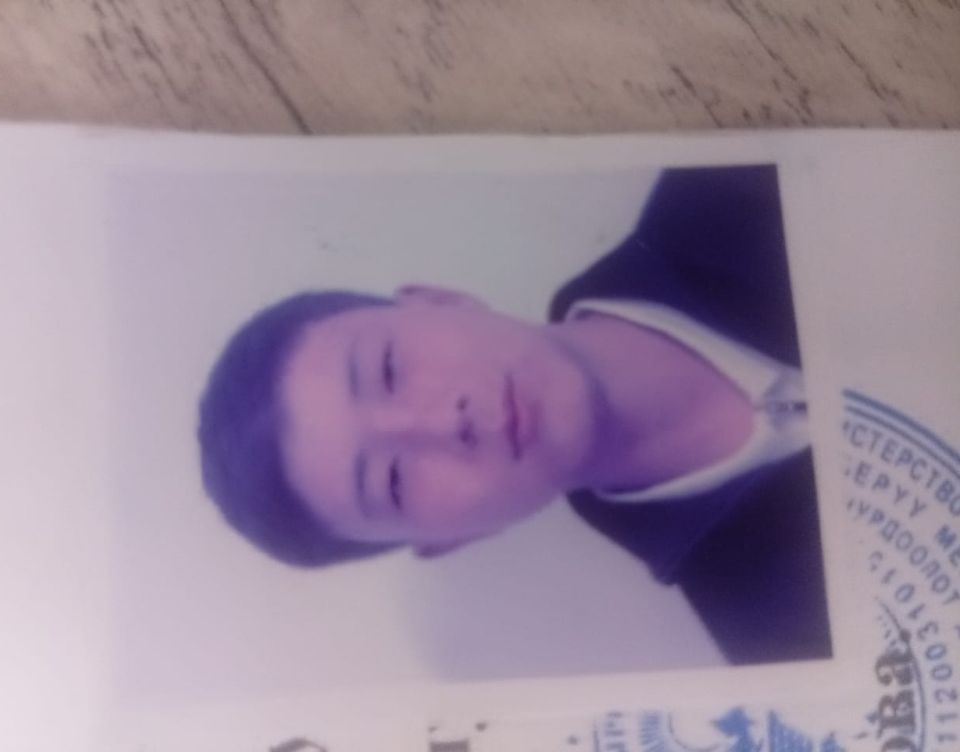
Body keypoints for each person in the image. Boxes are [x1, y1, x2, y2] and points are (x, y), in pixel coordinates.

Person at [198, 164, 831, 665]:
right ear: (451, 539)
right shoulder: (787, 641)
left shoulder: (739, 178)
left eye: (388, 369)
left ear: (438, 300)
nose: (442, 424)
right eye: (393, 482)